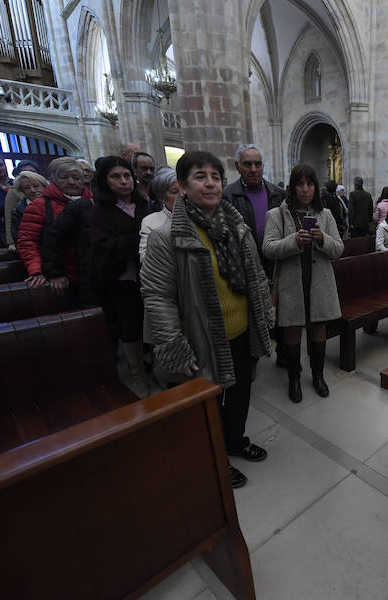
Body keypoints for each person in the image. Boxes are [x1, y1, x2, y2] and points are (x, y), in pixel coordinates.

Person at [141, 151, 274, 489]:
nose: (210, 183)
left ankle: (234, 441)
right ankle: (214, 457)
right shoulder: (167, 237)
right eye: (200, 176)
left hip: (241, 332)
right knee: (209, 404)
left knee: (241, 393)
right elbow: (157, 296)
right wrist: (174, 346)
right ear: (183, 187)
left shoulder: (237, 227)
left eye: (215, 176)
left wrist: (264, 315)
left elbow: (256, 275)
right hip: (200, 337)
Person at [263, 164, 344, 403]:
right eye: (300, 184)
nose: (305, 189)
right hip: (291, 284)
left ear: (316, 188)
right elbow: (268, 248)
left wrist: (322, 239)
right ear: (292, 187)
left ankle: (318, 377)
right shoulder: (276, 214)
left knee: (319, 329)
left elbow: (339, 249)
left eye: (310, 184)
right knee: (292, 331)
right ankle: (294, 380)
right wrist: (294, 241)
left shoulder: (325, 215)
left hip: (318, 284)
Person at [90, 156, 150, 396]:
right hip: (121, 278)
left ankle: (154, 364)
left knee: (150, 320)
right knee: (129, 326)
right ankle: (138, 376)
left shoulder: (143, 204)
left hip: (148, 274)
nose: (124, 181)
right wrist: (138, 239)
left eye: (126, 176)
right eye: (116, 177)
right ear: (105, 181)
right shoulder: (99, 211)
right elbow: (103, 246)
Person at [17, 157, 90, 291]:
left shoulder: (93, 202)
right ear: (54, 180)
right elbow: (28, 242)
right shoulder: (39, 206)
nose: (71, 182)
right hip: (62, 278)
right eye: (64, 177)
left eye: (76, 177)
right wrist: (38, 271)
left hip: (93, 274)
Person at [223, 144, 287, 274]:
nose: (253, 169)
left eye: (258, 164)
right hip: (246, 269)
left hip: (277, 266)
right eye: (247, 164)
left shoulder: (279, 194)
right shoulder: (227, 196)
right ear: (237, 166)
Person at [139, 168, 180, 263]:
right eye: (174, 192)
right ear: (161, 198)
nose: (182, 194)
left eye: (184, 189)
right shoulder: (150, 222)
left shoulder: (198, 215)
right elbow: (145, 258)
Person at [3, 160, 40, 246]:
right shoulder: (13, 191)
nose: (29, 174)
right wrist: (11, 242)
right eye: (24, 172)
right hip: (26, 234)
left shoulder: (45, 187)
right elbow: (9, 216)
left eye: (32, 171)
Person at [9, 171, 49, 248]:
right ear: (22, 191)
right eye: (27, 188)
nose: (33, 190)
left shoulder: (57, 203)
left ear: (44, 186)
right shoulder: (18, 211)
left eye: (36, 186)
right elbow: (19, 239)